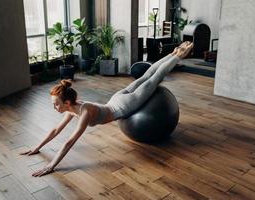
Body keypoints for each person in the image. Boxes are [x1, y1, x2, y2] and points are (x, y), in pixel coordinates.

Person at [20, 41, 194, 177]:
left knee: (152, 79)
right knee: (148, 77)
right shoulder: (71, 109)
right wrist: (37, 147)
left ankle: (178, 55)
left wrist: (52, 165)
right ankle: (173, 53)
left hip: (125, 105)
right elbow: (56, 130)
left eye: (56, 103)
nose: (54, 107)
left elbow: (69, 142)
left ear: (66, 102)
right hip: (117, 98)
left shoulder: (85, 112)